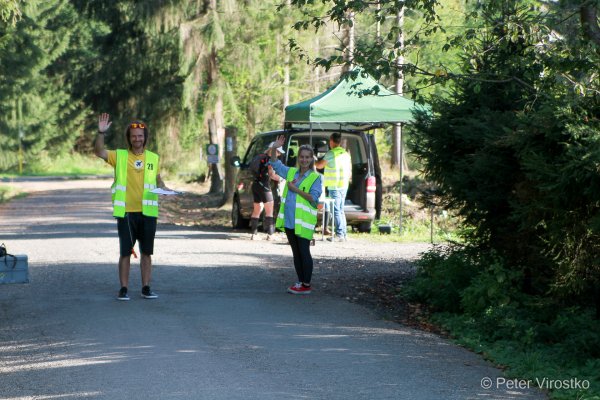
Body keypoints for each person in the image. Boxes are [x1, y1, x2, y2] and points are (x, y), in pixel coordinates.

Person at [94, 113, 173, 301]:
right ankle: (124, 289)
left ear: (145, 137)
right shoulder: (119, 156)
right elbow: (99, 151)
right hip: (127, 213)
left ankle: (146, 287)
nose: (137, 139)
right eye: (133, 136)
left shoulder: (153, 158)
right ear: (129, 138)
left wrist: (166, 190)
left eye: (140, 135)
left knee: (146, 252)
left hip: (148, 213)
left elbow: (158, 181)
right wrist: (100, 133)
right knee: (125, 252)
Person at [269, 135, 322, 295]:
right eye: (302, 157)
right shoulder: (291, 172)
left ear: (311, 159)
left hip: (304, 221)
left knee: (304, 251)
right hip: (290, 220)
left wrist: (296, 190)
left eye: (307, 157)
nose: (304, 160)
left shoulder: (315, 177)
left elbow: (314, 199)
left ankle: (306, 284)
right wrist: (274, 148)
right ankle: (300, 282)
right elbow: (275, 164)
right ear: (298, 158)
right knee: (296, 252)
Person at [315, 132, 352, 242]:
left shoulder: (331, 153)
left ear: (331, 141)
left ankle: (340, 234)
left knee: (336, 210)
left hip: (334, 186)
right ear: (339, 141)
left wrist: (313, 161)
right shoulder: (345, 153)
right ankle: (343, 234)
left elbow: (320, 165)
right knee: (340, 210)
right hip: (344, 185)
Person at [249, 142, 284, 240]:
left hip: (255, 185)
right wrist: (282, 179)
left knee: (257, 209)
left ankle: (254, 234)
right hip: (264, 186)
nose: (279, 154)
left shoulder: (260, 156)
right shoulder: (270, 160)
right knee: (269, 211)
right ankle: (271, 234)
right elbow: (272, 175)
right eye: (278, 152)